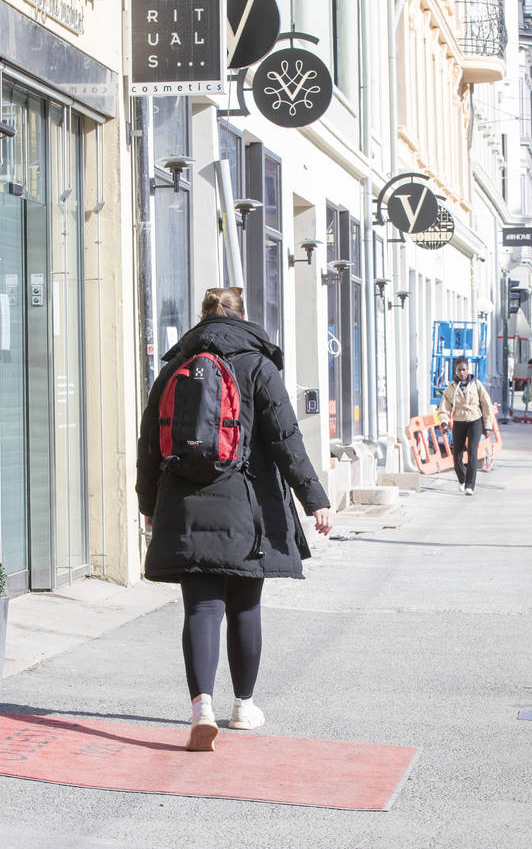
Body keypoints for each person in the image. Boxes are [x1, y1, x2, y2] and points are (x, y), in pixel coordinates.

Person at [136, 287, 333, 752]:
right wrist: (315, 499)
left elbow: (149, 445)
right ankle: (243, 706)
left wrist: (149, 506)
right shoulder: (257, 365)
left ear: (202, 317)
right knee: (244, 606)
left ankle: (201, 705)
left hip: (184, 506)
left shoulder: (172, 370)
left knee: (201, 608)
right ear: (243, 317)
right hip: (247, 507)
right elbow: (287, 440)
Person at [436, 357, 500, 495]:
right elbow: (444, 407)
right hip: (459, 421)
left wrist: (487, 426)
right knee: (457, 454)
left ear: (468, 370)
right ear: (455, 371)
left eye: (464, 369)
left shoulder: (476, 385)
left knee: (472, 451)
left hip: (474, 420)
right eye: (459, 370)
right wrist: (444, 422)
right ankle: (462, 478)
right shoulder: (451, 388)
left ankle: (470, 485)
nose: (462, 372)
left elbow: (486, 404)